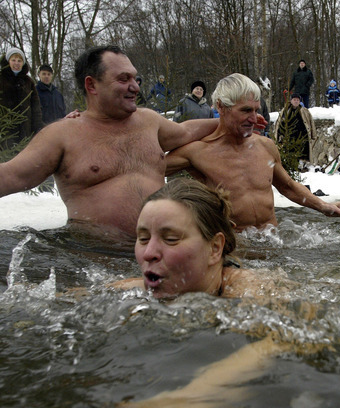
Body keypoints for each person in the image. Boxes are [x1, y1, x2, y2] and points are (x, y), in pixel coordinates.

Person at [0, 45, 220, 238]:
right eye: (123, 79)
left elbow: (185, 131)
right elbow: (10, 175)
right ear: (92, 85)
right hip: (94, 264)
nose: (135, 86)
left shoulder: (149, 121)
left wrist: (229, 121)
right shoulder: (63, 135)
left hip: (158, 255)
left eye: (134, 78)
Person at [166, 73, 340, 231]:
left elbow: (288, 187)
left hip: (273, 244)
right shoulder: (198, 152)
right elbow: (148, 164)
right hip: (236, 250)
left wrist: (324, 206)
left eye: (256, 110)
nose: (254, 118)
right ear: (221, 107)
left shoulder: (265, 146)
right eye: (246, 110)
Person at [113, 179, 260, 300]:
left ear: (215, 248)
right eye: (144, 239)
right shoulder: (125, 293)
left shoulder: (252, 292)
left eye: (170, 239)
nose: (148, 253)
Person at [0, 47, 44, 151]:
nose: (16, 63)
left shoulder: (29, 82)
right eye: (13, 60)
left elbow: (36, 108)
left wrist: (38, 128)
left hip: (25, 132)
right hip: (4, 133)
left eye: (19, 61)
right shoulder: (1, 79)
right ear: (8, 61)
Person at [274, 92, 317, 162]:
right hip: (289, 136)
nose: (296, 101)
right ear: (291, 101)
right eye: (294, 100)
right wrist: (279, 135)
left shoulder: (304, 111)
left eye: (297, 100)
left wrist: (313, 135)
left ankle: (300, 165)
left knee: (301, 152)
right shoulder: (285, 111)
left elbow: (311, 122)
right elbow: (279, 123)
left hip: (301, 136)